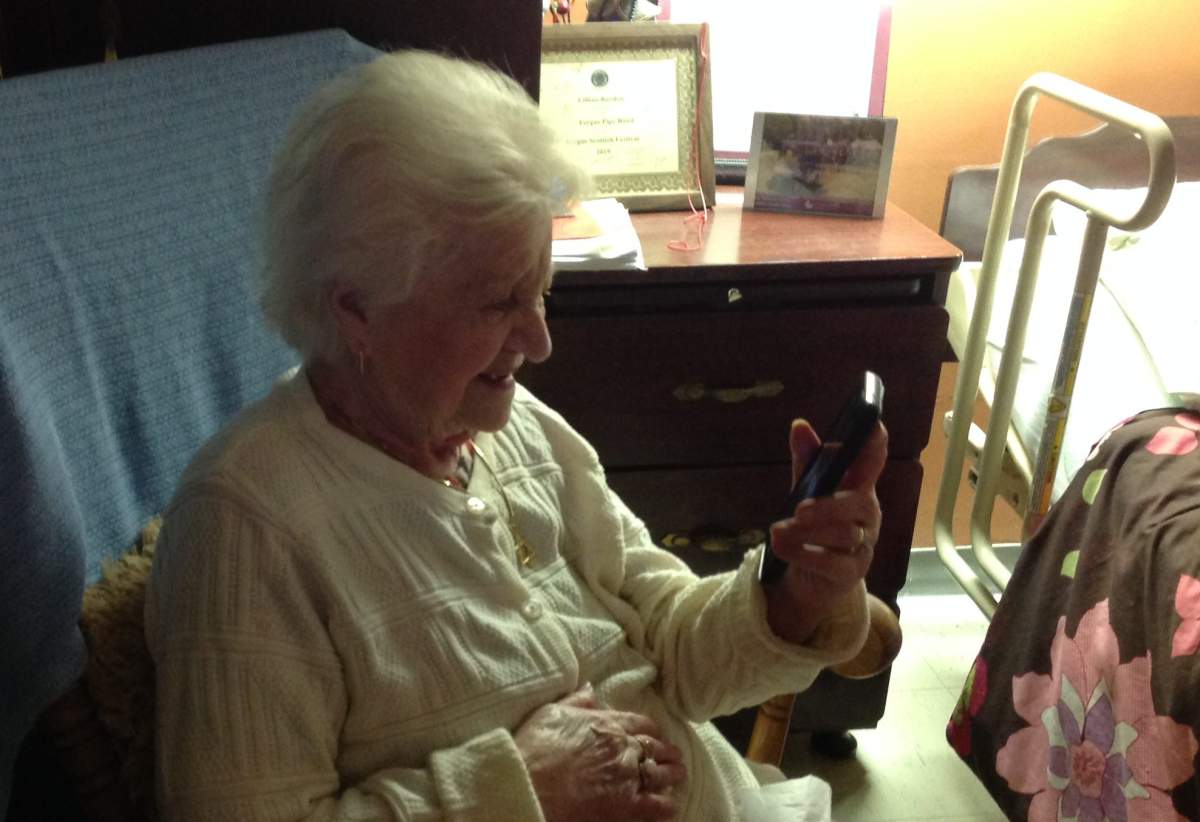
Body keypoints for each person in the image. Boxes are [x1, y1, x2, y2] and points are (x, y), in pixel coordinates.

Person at [145, 49, 888, 822]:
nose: (539, 341)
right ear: (355, 309)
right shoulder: (245, 531)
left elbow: (670, 648)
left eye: (539, 291)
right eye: (498, 302)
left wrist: (794, 595)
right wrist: (520, 790)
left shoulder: (515, 427)